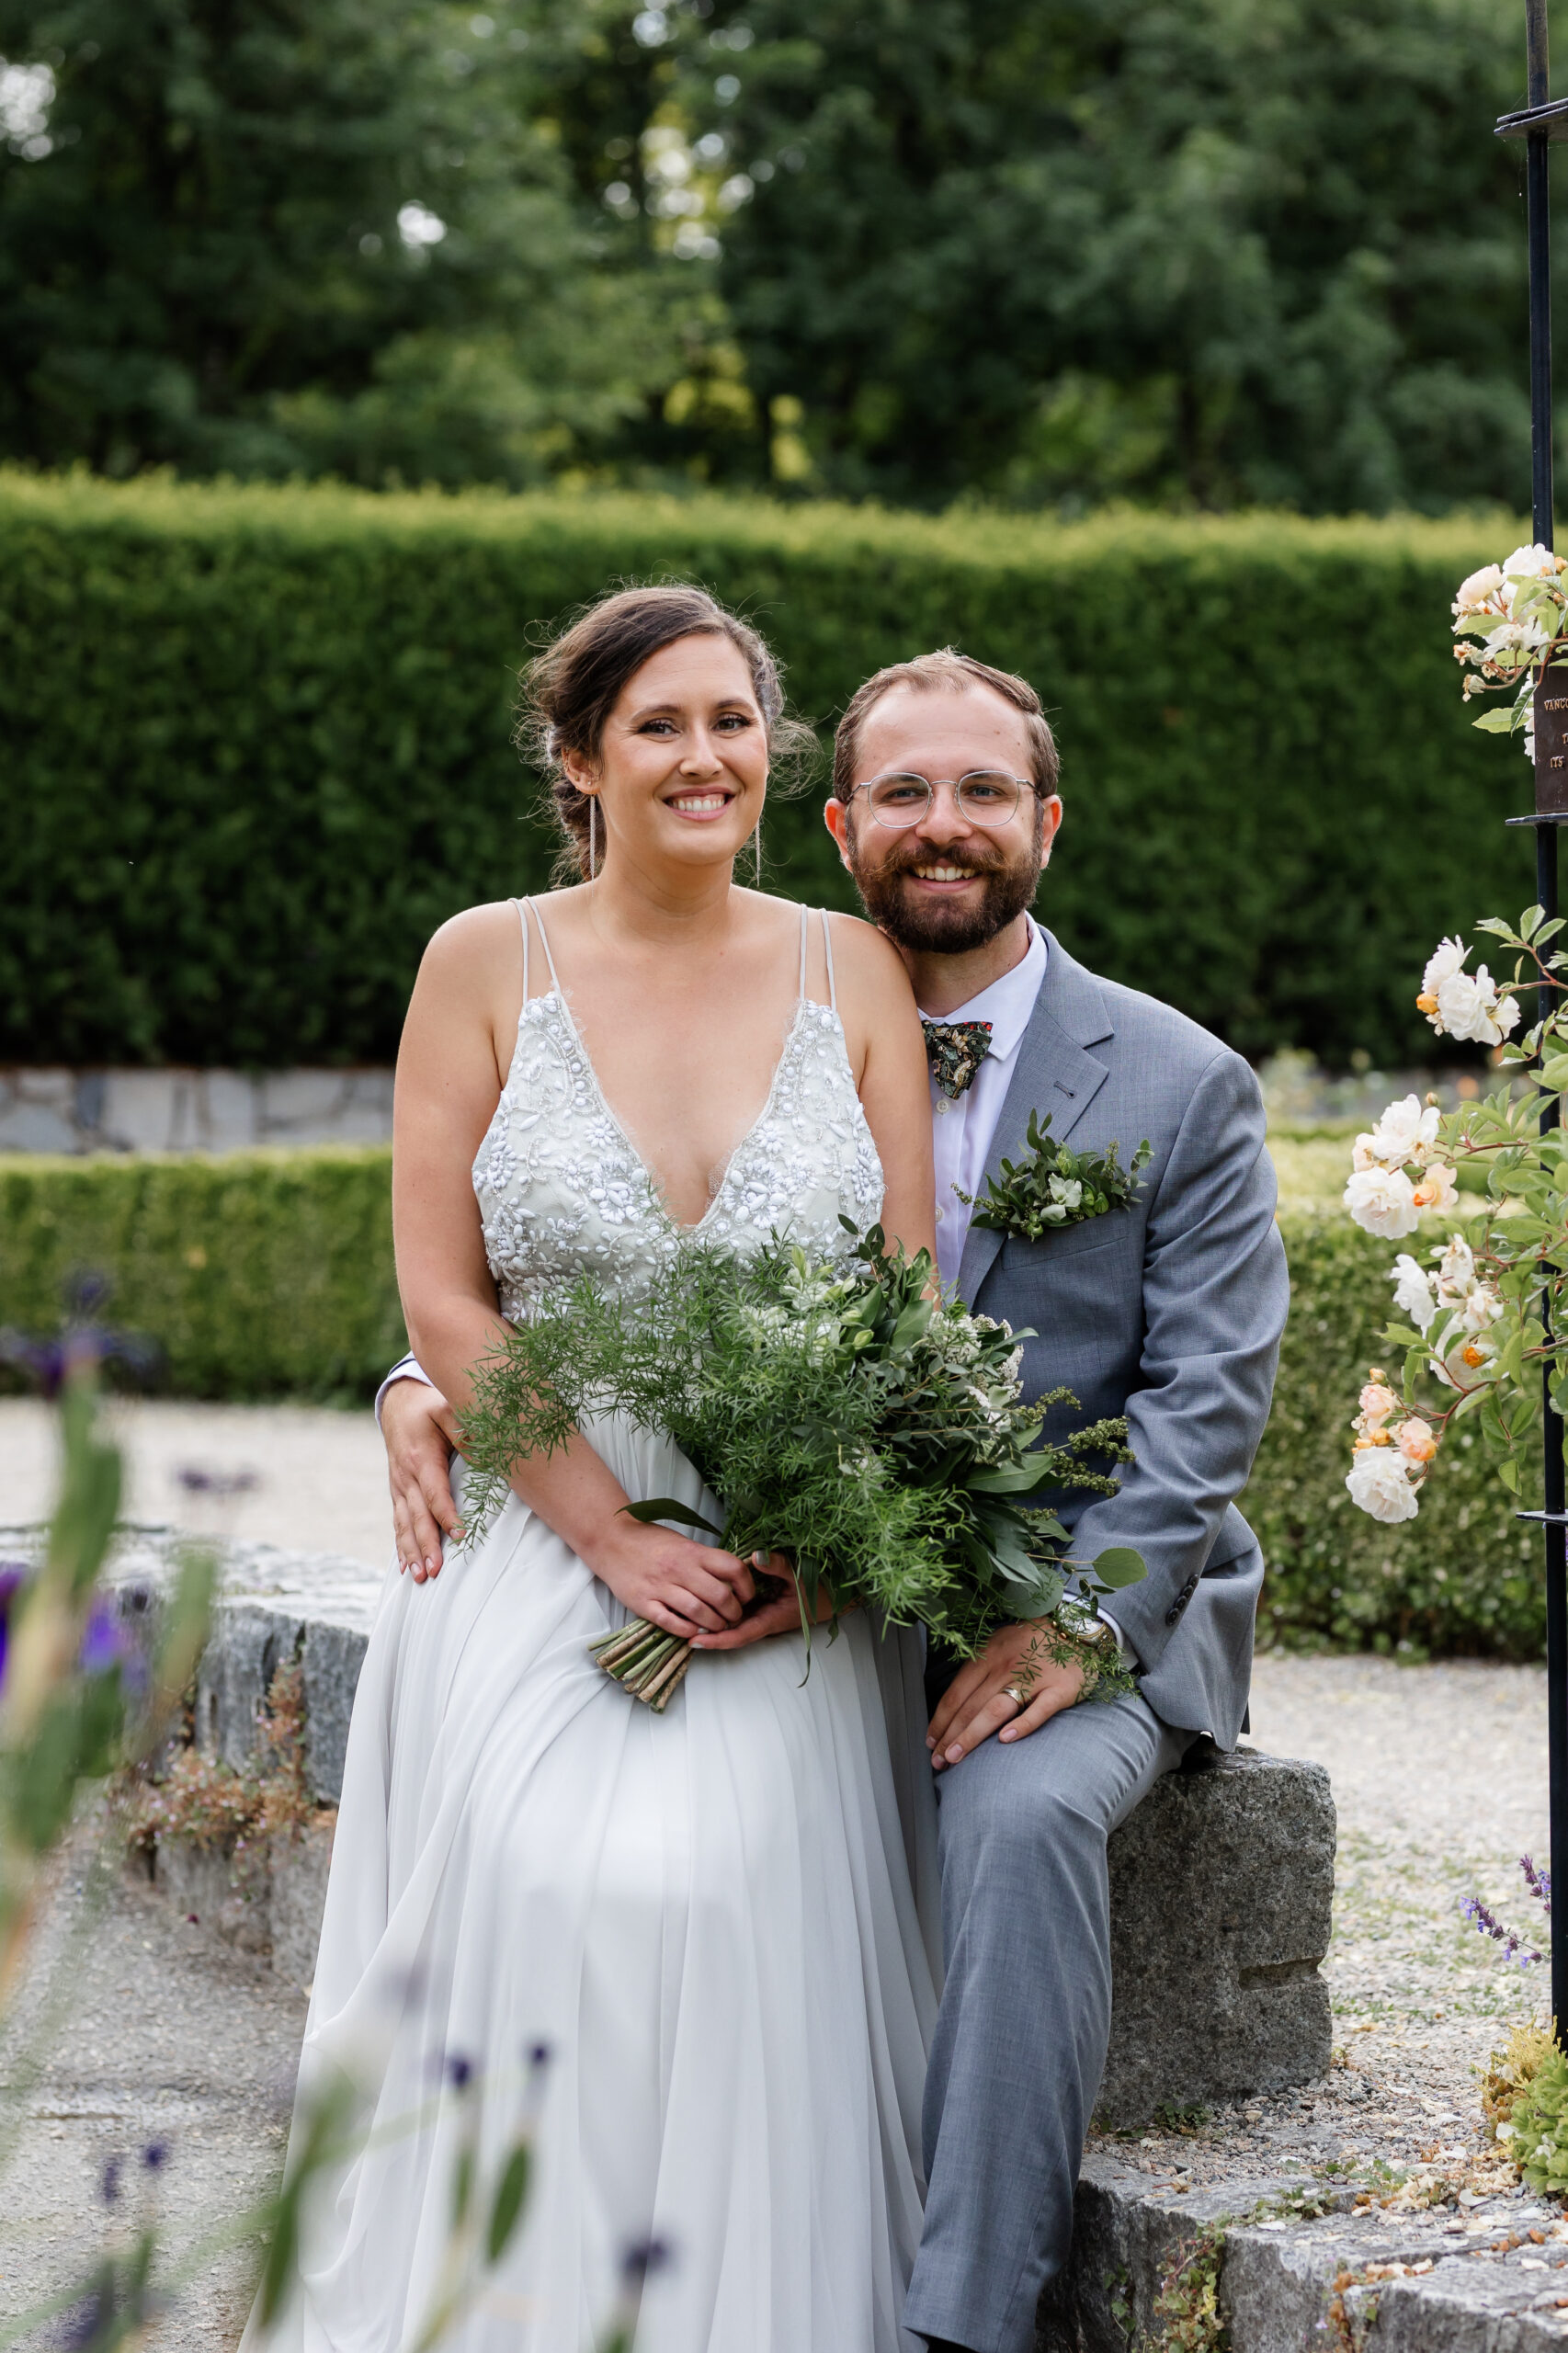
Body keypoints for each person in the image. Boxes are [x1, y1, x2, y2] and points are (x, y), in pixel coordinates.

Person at [381, 646, 1290, 2353]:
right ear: (843, 819)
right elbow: (563, 1247)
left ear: (1047, 820)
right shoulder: (789, 978)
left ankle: (960, 2320)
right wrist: (423, 1384)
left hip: (1067, 1599)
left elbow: (1203, 1407)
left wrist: (1086, 1619)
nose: (943, 825)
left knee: (1013, 1821)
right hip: (767, 1561)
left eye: (982, 792)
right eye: (902, 793)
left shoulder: (1180, 1084)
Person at [252, 585, 948, 2353]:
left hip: (793, 1558)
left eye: (732, 722)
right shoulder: (481, 961)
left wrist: (824, 1531)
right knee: (566, 1897)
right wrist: (614, 1539)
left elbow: (904, 1300)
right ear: (580, 758)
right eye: (659, 726)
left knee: (724, 1917)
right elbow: (445, 1299)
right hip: (545, 1542)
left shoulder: (845, 965)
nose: (704, 756)